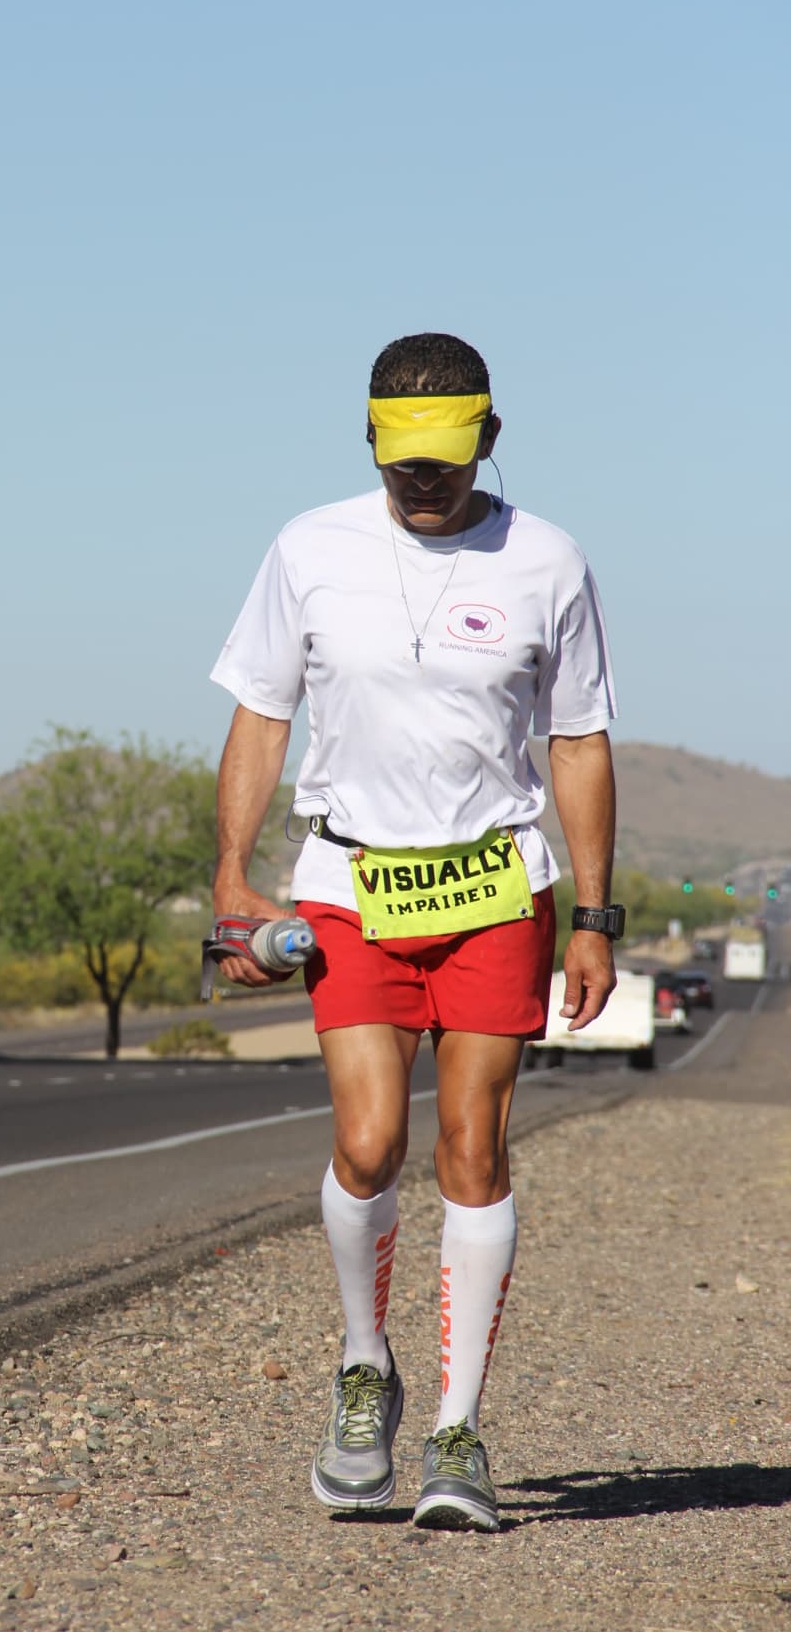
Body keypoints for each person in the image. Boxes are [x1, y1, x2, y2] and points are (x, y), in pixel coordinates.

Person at [210, 330, 620, 1532]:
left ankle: (456, 1430)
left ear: (487, 438)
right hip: (349, 884)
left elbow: (577, 741)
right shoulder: (307, 548)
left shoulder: (546, 559)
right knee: (367, 1140)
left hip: (494, 886)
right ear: (370, 441)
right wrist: (231, 877)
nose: (423, 483)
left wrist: (592, 916)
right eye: (402, 464)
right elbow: (260, 715)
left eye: (444, 461)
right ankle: (361, 1365)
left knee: (472, 1151)